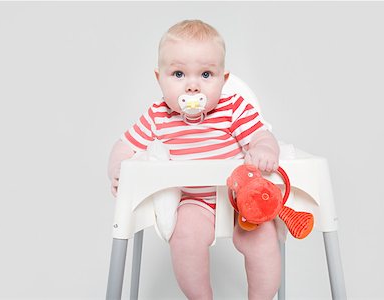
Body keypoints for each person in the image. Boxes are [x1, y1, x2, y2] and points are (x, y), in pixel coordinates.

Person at [107, 19, 281, 300]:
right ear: (159, 78)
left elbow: (261, 136)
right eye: (177, 74)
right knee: (185, 234)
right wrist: (118, 169)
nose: (192, 86)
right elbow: (124, 146)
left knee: (263, 238)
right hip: (194, 201)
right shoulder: (158, 114)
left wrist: (264, 151)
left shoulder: (233, 107)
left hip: (239, 199)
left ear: (223, 80)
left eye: (205, 74)